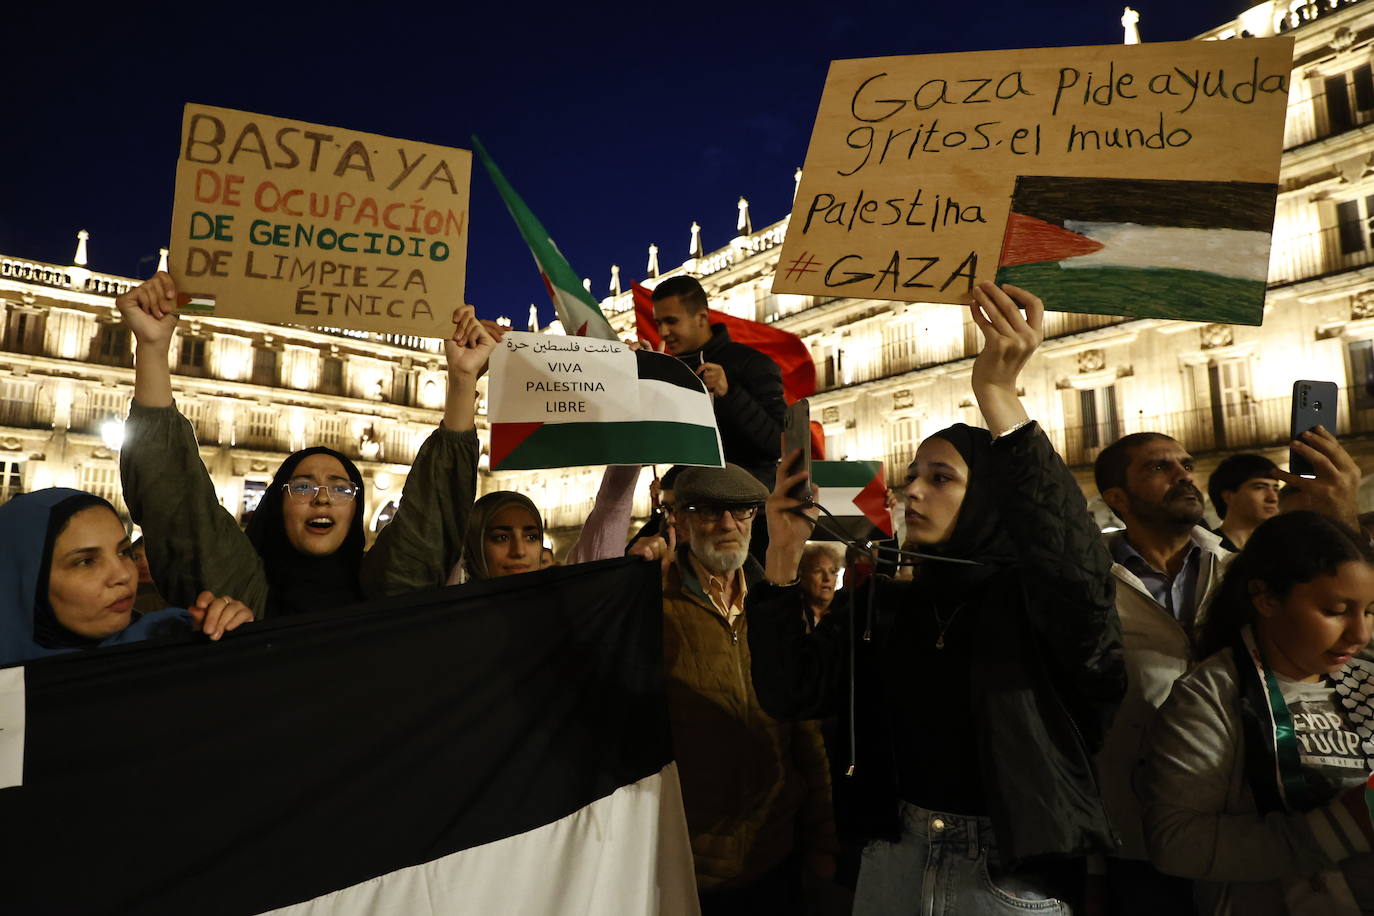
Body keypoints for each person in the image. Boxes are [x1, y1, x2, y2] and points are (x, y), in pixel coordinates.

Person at [748, 281, 1124, 913]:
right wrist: (782, 553)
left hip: (1007, 871)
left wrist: (999, 396)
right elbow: (791, 691)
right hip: (891, 852)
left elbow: (1076, 570)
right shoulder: (882, 601)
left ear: (988, 500)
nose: (913, 492)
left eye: (941, 478)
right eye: (913, 476)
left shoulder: (1034, 601)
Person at [1093, 426, 1363, 913]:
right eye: (1160, 467)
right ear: (1117, 497)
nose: (1183, 475)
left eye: (1185, 465)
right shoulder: (1089, 586)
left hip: (1248, 824)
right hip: (1129, 832)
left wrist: (1338, 515)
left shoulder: (1243, 570)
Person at [115, 272, 488, 615]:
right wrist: (151, 348)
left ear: (356, 508)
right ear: (277, 503)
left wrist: (462, 378)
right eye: (304, 485)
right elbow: (176, 498)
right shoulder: (235, 593)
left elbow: (433, 513)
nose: (322, 498)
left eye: (341, 488)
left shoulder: (387, 593)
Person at [1142, 511, 1374, 915]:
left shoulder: (1367, 678)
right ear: (1266, 598)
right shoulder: (1212, 695)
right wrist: (1344, 826)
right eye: (1337, 611)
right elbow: (1176, 843)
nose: (1360, 634)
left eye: (1369, 611)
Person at [629, 462, 836, 914]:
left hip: (777, 855)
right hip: (687, 870)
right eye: (707, 511)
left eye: (740, 511)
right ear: (678, 520)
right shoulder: (651, 603)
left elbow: (806, 732)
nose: (726, 524)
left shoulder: (775, 604)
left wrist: (823, 843)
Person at [0, 488, 252, 666]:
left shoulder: (174, 637)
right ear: (23, 580)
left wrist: (233, 639)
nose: (122, 574)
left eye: (124, 552)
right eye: (86, 561)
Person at [651, 276, 785, 491]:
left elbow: (778, 444)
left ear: (701, 317)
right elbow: (663, 450)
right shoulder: (669, 372)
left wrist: (729, 392)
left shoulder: (751, 362)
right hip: (690, 512)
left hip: (747, 512)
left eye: (671, 321)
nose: (663, 333)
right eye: (659, 323)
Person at [1207, 453, 1280, 551]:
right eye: (1259, 487)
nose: (1273, 498)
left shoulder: (1282, 547)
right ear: (1229, 496)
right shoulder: (1206, 549)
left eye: (1275, 489)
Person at [798, 543, 840, 631]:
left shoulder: (844, 616)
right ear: (803, 576)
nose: (827, 578)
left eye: (832, 571)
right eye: (818, 571)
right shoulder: (792, 616)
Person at [128, 535, 167, 614]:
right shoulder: (123, 592)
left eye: (150, 555)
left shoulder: (172, 593)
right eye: (136, 557)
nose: (144, 563)